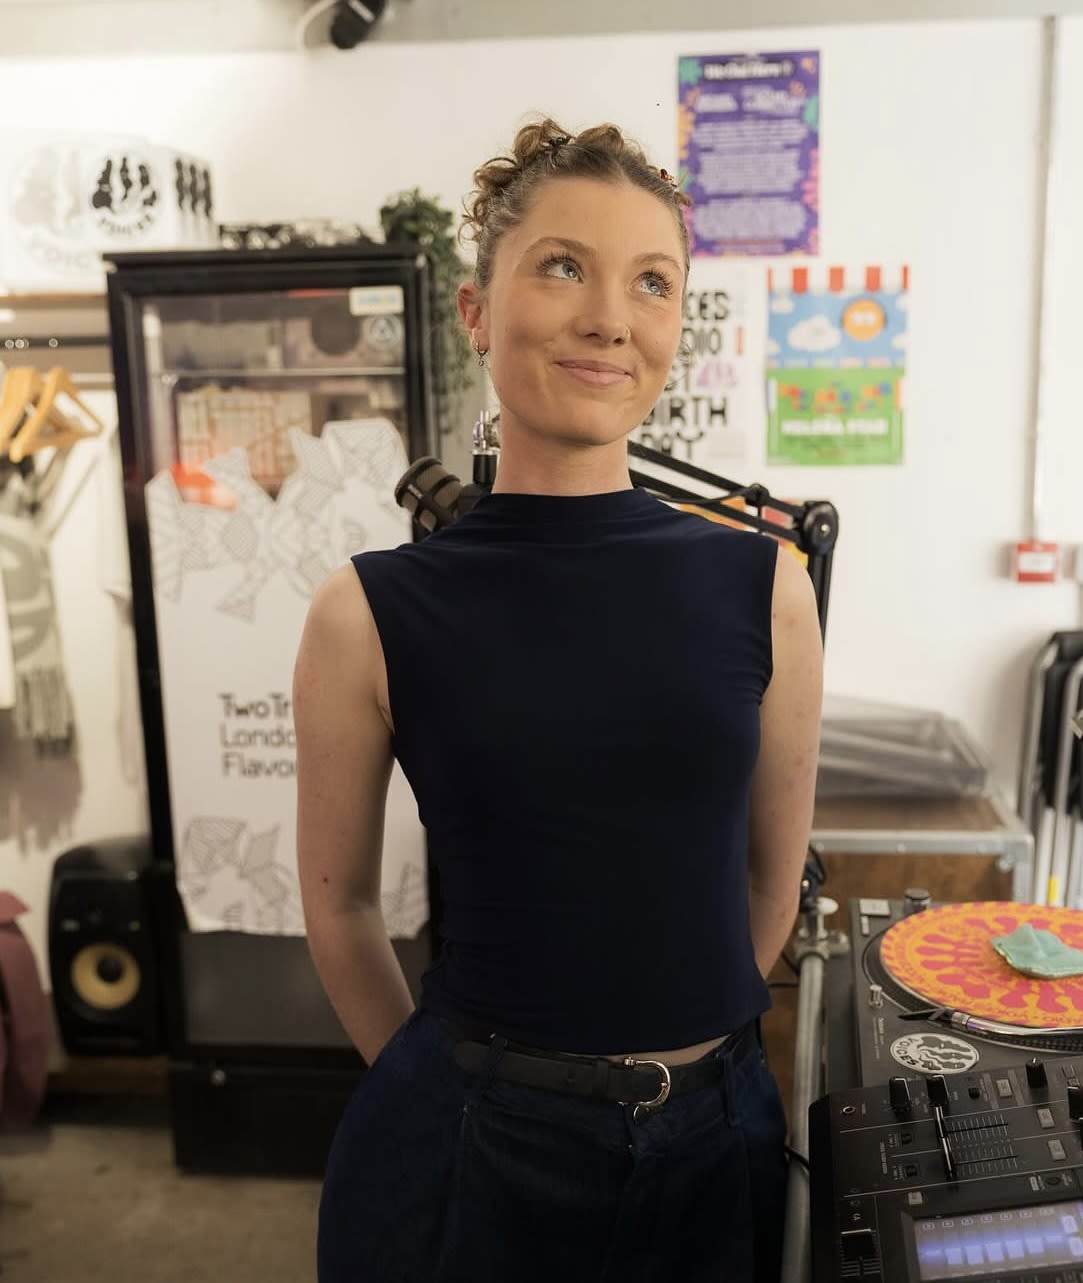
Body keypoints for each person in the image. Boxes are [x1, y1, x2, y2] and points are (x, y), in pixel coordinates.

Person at [293, 115, 824, 1282]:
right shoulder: (366, 613)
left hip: (714, 1141)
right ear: (477, 310)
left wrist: (683, 1068)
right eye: (562, 266)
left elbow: (767, 879)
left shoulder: (766, 583)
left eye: (653, 283)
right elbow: (337, 912)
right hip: (472, 1154)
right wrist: (443, 1102)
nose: (609, 317)